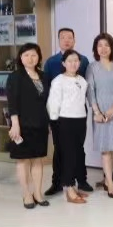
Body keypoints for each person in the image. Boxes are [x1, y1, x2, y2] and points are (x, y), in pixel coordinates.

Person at [43, 28, 91, 196]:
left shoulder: (84, 61)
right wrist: (52, 119)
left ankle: (81, 180)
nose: (66, 40)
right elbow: (48, 91)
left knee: (78, 149)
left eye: (70, 37)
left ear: (74, 40)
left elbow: (85, 88)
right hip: (61, 116)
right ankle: (59, 183)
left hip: (79, 114)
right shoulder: (51, 63)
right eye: (63, 37)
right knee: (61, 149)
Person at [7, 43, 50, 209]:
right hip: (22, 125)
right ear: (21, 57)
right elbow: (12, 103)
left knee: (38, 159)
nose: (30, 58)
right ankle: (26, 194)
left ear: (39, 57)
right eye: (26, 55)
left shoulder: (44, 76)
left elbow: (47, 101)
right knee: (23, 160)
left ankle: (38, 193)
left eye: (33, 55)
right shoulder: (15, 76)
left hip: (40, 124)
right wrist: (14, 124)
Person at [87, 33, 113, 198]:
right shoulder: (92, 67)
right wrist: (97, 112)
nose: (103, 48)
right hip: (100, 110)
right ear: (95, 49)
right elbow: (90, 91)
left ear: (112, 47)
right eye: (100, 45)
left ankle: (107, 179)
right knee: (105, 148)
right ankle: (110, 182)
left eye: (106, 45)